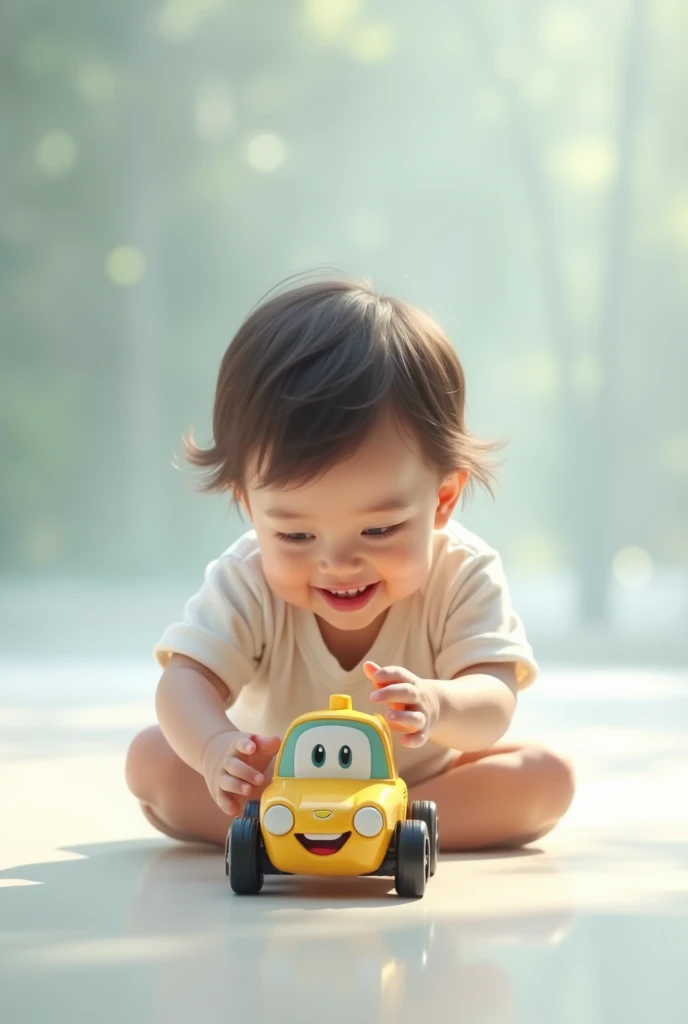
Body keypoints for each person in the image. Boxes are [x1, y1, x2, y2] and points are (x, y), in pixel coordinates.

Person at [125, 276, 575, 851]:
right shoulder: (247, 578)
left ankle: (377, 830)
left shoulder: (462, 572)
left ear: (441, 500)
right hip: (283, 790)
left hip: (418, 789)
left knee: (546, 776)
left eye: (379, 529)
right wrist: (216, 748)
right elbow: (184, 681)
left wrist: (438, 704)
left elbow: (493, 702)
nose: (338, 562)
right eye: (294, 533)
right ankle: (292, 826)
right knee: (152, 761)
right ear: (248, 507)